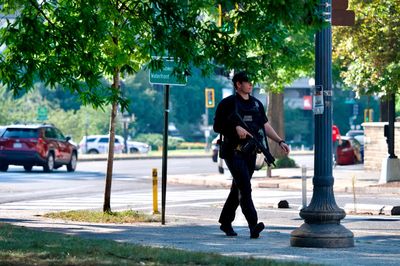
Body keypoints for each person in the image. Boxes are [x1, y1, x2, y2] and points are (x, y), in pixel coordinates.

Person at [213, 71, 290, 238]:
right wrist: (235, 128)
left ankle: (225, 222)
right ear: (238, 84)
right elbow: (217, 126)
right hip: (233, 151)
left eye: (251, 82)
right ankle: (253, 225)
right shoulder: (228, 103)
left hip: (250, 152)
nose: (250, 84)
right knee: (245, 187)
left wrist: (280, 141)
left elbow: (265, 126)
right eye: (247, 82)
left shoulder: (256, 104)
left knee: (238, 187)